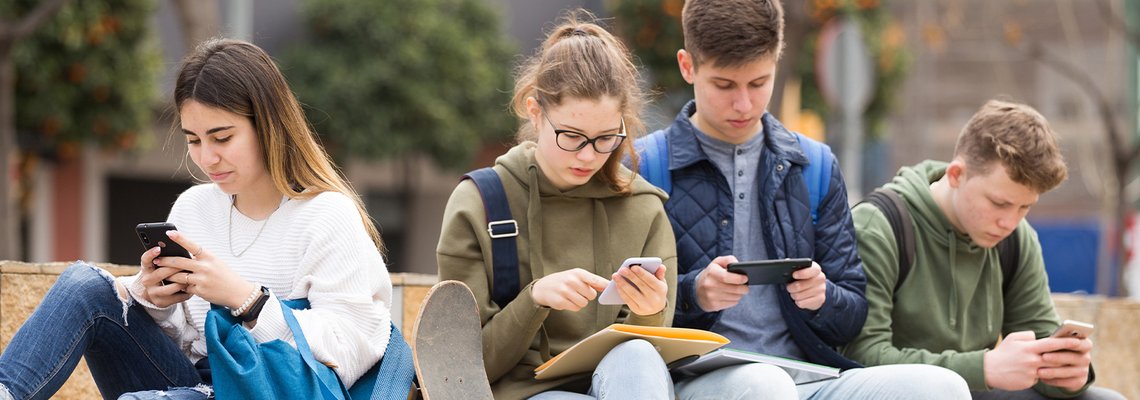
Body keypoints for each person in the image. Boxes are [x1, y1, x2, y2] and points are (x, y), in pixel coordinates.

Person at [0, 39, 393, 400]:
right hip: (195, 385)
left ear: (270, 126)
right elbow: (186, 344)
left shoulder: (327, 215)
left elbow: (354, 348)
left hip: (270, 390)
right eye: (193, 140)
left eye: (222, 138)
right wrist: (156, 300)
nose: (206, 158)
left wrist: (248, 301)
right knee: (84, 285)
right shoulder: (194, 207)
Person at [634, 0, 971, 398]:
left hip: (807, 377)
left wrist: (822, 297)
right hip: (694, 381)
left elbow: (852, 316)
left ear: (778, 60)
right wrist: (694, 293)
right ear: (687, 66)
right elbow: (616, 312)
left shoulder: (815, 165)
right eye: (724, 85)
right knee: (765, 386)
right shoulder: (643, 166)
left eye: (759, 83)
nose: (744, 104)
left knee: (943, 387)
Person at [435, 12, 679, 400]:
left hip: (626, 384)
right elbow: (461, 368)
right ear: (535, 111)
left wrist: (648, 313)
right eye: (572, 135)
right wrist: (534, 299)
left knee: (641, 356)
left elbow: (652, 362)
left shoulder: (644, 207)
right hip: (524, 392)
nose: (588, 155)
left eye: (606, 138)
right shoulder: (479, 203)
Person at [844, 99, 1125, 400]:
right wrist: (984, 368)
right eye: (999, 203)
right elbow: (861, 359)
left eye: (1024, 207)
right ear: (955, 175)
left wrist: (1066, 373)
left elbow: (1039, 349)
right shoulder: (879, 226)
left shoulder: (1017, 238)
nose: (1009, 222)